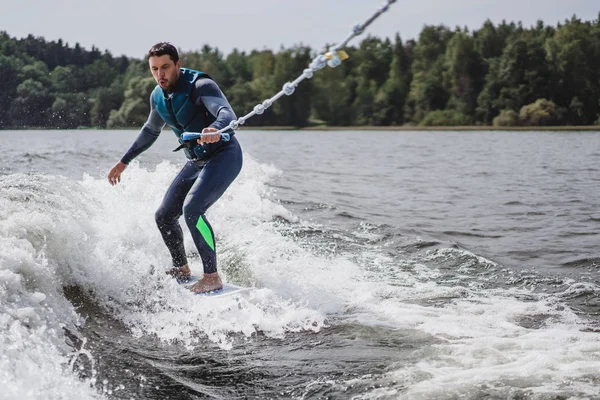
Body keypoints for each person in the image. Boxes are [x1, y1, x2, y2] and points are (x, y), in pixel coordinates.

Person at [107, 42, 242, 293]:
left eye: (166, 67)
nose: (160, 74)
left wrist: (215, 128)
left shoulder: (201, 85)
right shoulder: (157, 96)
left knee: (193, 210)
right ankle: (182, 268)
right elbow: (150, 131)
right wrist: (124, 161)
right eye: (154, 69)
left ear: (177, 64)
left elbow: (227, 113)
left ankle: (212, 275)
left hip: (224, 155)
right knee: (164, 216)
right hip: (195, 160)